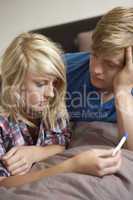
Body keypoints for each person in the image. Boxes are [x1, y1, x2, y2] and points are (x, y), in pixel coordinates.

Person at [0, 31, 121, 187]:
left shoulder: (52, 106)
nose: (51, 93)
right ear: (13, 83)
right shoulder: (3, 124)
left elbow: (60, 144)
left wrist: (36, 153)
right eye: (40, 84)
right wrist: (71, 166)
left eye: (54, 83)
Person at [65, 6, 133, 151]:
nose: (96, 70)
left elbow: (131, 150)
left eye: (110, 64)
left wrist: (123, 91)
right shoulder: (66, 66)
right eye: (94, 54)